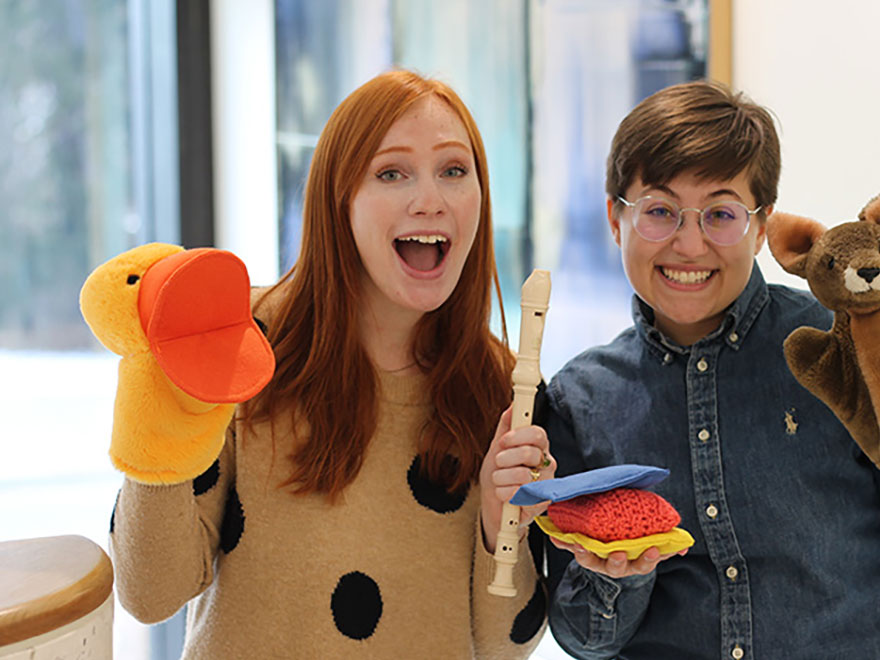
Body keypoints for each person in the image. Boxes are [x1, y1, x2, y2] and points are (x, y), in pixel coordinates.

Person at [540, 80, 880, 659]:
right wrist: (617, 573)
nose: (690, 245)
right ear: (616, 219)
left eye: (721, 213)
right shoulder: (578, 400)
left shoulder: (843, 350)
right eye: (660, 211)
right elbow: (583, 639)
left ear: (763, 226)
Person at [108, 69, 554, 658]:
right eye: (391, 173)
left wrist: (504, 523)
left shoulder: (504, 386)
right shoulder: (242, 343)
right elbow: (148, 592)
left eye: (454, 171)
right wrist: (159, 400)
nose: (430, 200)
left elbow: (503, 645)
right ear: (337, 200)